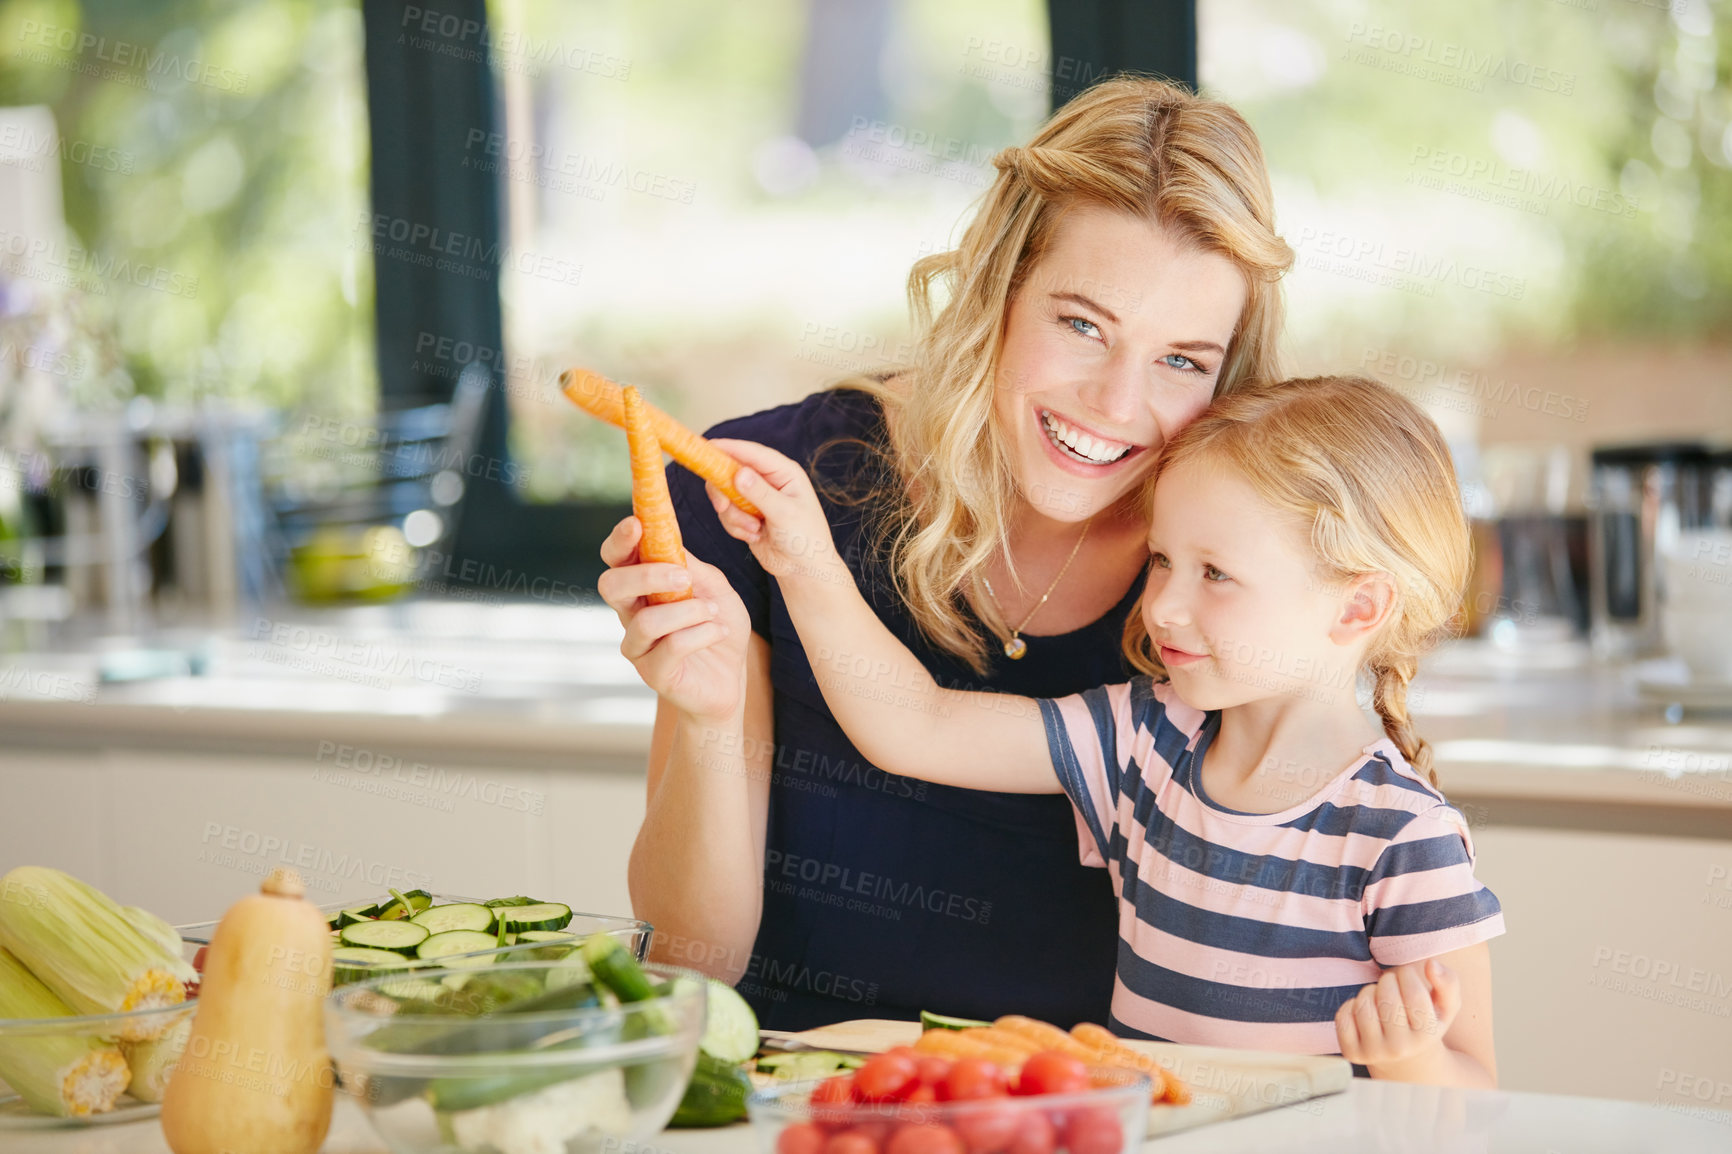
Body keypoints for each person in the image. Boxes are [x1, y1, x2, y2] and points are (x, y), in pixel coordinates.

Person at [598, 76, 1292, 1029]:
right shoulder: (761, 494)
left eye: (1182, 360)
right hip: (805, 1097)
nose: (1118, 404)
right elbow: (691, 963)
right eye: (1083, 325)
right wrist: (712, 715)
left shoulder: (1249, 565)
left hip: (1102, 1110)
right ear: (998, 290)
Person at [675, 375, 1504, 1086]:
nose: (1164, 606)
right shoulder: (1144, 743)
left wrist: (1413, 1058)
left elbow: (1478, 1089)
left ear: (1358, 607)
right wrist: (806, 564)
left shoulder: (1404, 837)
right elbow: (917, 726)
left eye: (1216, 574)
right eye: (1164, 561)